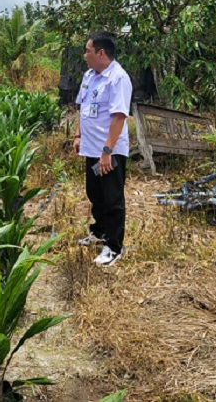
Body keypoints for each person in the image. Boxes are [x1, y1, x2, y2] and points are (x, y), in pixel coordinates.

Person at [72, 31, 132, 267]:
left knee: (112, 198)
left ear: (101, 53)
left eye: (88, 50)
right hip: (92, 148)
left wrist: (107, 152)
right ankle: (99, 232)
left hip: (110, 152)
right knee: (95, 193)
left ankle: (114, 247)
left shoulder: (118, 78)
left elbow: (119, 117)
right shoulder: (89, 75)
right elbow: (83, 107)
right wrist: (78, 135)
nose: (85, 55)